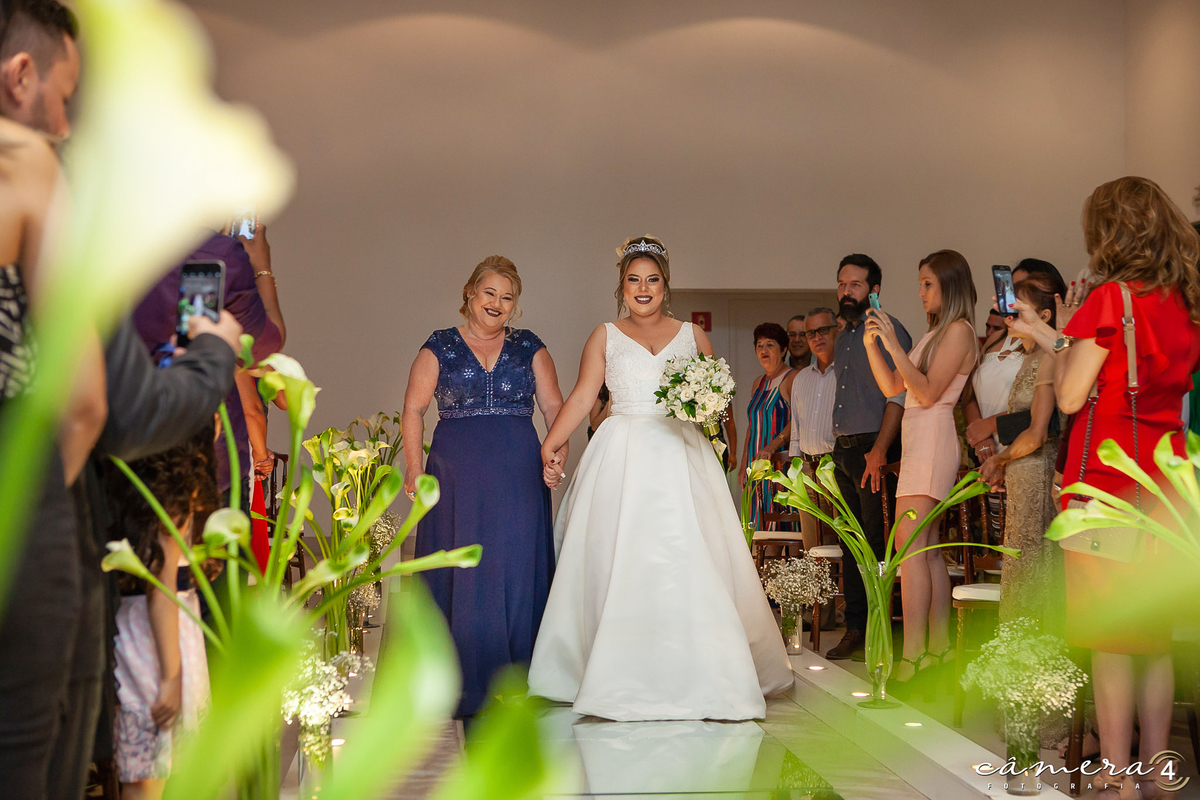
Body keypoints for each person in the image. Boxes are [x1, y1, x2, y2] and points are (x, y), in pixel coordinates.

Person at [529, 235, 792, 721]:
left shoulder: (693, 335)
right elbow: (585, 395)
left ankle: (703, 669)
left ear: (666, 286)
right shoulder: (604, 335)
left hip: (680, 451)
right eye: (634, 280)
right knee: (619, 554)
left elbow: (717, 403)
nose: (643, 288)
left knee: (689, 553)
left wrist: (705, 407)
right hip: (621, 452)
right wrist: (553, 442)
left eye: (652, 280)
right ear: (621, 286)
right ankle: (611, 669)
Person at [1014, 176, 1200, 798]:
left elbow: (1071, 395)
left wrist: (1060, 338)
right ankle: (1159, 778)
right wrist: (1057, 336)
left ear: (1110, 233)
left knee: (1112, 643)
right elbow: (1122, 366)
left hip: (1105, 487)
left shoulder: (1109, 298)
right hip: (1167, 487)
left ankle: (1120, 780)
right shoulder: (1183, 302)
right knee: (1153, 640)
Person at [0, 5, 110, 798]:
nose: (65, 125)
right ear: (20, 76)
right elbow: (82, 399)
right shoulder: (25, 162)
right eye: (63, 97)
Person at [401, 255, 564, 722]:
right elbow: (413, 410)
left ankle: (518, 676)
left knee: (516, 565)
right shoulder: (438, 346)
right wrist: (414, 469)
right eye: (489, 292)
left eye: (507, 297)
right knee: (461, 563)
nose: (497, 303)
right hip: (456, 473)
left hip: (518, 472)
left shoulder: (531, 347)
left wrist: (556, 456)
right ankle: (454, 679)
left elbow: (555, 409)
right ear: (469, 292)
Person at [864, 249, 977, 685]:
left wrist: (894, 342)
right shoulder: (937, 333)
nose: (921, 292)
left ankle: (913, 656)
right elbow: (895, 385)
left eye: (928, 283)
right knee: (924, 551)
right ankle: (936, 651)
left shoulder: (960, 331)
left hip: (932, 437)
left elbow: (928, 392)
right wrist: (874, 346)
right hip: (920, 438)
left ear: (949, 284)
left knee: (910, 548)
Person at [105, 430, 219, 800]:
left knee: (152, 770)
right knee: (151, 772)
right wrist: (172, 675)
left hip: (138, 623)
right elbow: (162, 584)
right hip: (160, 635)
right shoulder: (176, 493)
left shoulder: (135, 481)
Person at [134, 231, 283, 510]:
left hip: (136, 447)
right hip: (216, 461)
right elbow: (257, 404)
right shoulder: (224, 336)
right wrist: (262, 269)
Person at [824, 254, 911, 661]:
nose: (846, 291)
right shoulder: (843, 337)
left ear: (873, 290)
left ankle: (880, 629)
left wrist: (880, 449)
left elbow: (899, 394)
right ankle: (855, 627)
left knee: (875, 544)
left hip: (874, 448)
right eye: (842, 284)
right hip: (842, 450)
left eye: (855, 285)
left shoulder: (889, 330)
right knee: (849, 541)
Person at [978, 276, 1064, 630]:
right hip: (1021, 473)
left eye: (1019, 310)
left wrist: (998, 458)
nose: (1009, 318)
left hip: (1038, 472)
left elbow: (1038, 432)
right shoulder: (1029, 357)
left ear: (1044, 316)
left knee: (1033, 562)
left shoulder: (1048, 357)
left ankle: (1036, 646)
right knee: (1020, 559)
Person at [787, 308, 839, 553]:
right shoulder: (801, 379)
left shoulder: (846, 373)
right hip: (807, 468)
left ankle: (845, 582)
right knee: (813, 547)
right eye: (811, 333)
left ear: (836, 330)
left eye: (823, 330)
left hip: (837, 466)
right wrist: (796, 468)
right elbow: (796, 425)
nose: (817, 337)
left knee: (845, 542)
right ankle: (816, 581)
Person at [739, 322, 798, 531]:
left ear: (783, 349)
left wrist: (773, 446)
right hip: (756, 465)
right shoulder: (758, 382)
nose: (764, 350)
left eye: (770, 345)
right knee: (758, 525)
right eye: (759, 345)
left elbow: (798, 420)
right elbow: (752, 426)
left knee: (781, 525)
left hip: (780, 464)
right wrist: (744, 465)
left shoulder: (792, 378)